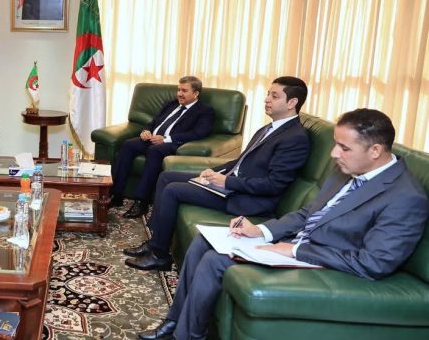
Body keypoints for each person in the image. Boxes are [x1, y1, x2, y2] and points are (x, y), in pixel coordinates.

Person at [137, 108, 429, 340]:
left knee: (216, 260)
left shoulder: (405, 197)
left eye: (344, 147)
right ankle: (176, 322)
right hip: (297, 245)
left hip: (327, 261)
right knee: (206, 240)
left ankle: (188, 335)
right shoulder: (349, 168)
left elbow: (373, 263)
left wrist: (295, 251)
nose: (333, 154)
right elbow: (308, 213)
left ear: (375, 150)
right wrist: (262, 230)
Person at [125, 76, 311, 271]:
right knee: (166, 176)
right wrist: (212, 172)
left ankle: (160, 255)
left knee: (172, 190)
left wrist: (226, 182)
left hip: (245, 198)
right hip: (232, 186)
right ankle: (155, 241)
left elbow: (274, 185)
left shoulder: (295, 138)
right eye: (268, 94)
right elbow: (240, 161)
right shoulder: (269, 128)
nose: (267, 99)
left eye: (274, 96)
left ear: (292, 102)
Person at [112, 76, 215, 219]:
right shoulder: (172, 104)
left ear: (196, 93)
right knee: (128, 145)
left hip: (173, 144)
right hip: (152, 138)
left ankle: (141, 202)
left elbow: (198, 133)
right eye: (178, 90)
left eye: (184, 91)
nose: (179, 94)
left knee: (154, 151)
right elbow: (154, 122)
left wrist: (166, 139)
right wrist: (146, 131)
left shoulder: (204, 111)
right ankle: (116, 194)